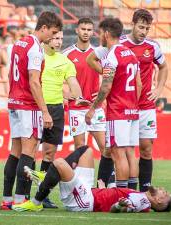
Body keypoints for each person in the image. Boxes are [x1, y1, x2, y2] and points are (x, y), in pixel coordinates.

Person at [88, 9, 168, 192]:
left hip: (144, 106)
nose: (144, 32)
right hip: (127, 105)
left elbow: (163, 67)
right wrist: (106, 73)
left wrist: (158, 89)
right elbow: (92, 58)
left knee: (145, 148)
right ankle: (104, 185)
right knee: (113, 150)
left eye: (147, 28)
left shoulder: (152, 46)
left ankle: (142, 190)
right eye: (141, 27)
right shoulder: (119, 43)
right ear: (133, 24)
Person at [1, 11, 63, 210]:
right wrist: (45, 111)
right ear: (43, 27)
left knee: (15, 152)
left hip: (14, 102)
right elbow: (34, 83)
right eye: (52, 32)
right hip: (28, 105)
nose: (53, 37)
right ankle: (20, 200)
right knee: (28, 153)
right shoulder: (36, 49)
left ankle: (7, 200)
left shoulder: (19, 43)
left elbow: (12, 73)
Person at [12, 146, 171, 213]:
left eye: (164, 193)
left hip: (85, 201)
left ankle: (36, 202)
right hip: (92, 192)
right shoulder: (142, 196)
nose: (162, 189)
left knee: (59, 163)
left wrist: (119, 205)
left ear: (159, 201)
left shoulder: (143, 202)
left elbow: (119, 208)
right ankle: (47, 178)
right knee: (86, 151)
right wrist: (105, 190)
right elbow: (119, 196)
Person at [85, 18, 142, 190]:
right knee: (130, 153)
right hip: (132, 111)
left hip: (118, 112)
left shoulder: (112, 56)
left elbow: (106, 86)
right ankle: (133, 193)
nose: (99, 36)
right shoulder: (130, 54)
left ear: (107, 34)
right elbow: (139, 85)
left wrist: (93, 109)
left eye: (100, 33)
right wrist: (132, 103)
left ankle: (123, 194)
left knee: (118, 154)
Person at [39, 30, 87, 208]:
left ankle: (41, 195)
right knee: (26, 152)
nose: (59, 42)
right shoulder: (38, 56)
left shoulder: (65, 61)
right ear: (47, 37)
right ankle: (21, 193)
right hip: (35, 107)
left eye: (60, 38)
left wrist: (77, 95)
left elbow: (74, 85)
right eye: (55, 38)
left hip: (56, 109)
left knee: (49, 153)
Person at [63, 18, 111, 187]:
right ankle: (83, 186)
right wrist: (67, 94)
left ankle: (105, 183)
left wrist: (104, 92)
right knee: (80, 148)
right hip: (76, 109)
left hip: (95, 107)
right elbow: (59, 81)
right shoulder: (67, 54)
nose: (86, 32)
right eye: (83, 28)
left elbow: (109, 75)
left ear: (93, 32)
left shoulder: (99, 53)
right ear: (77, 30)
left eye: (89, 29)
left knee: (106, 147)